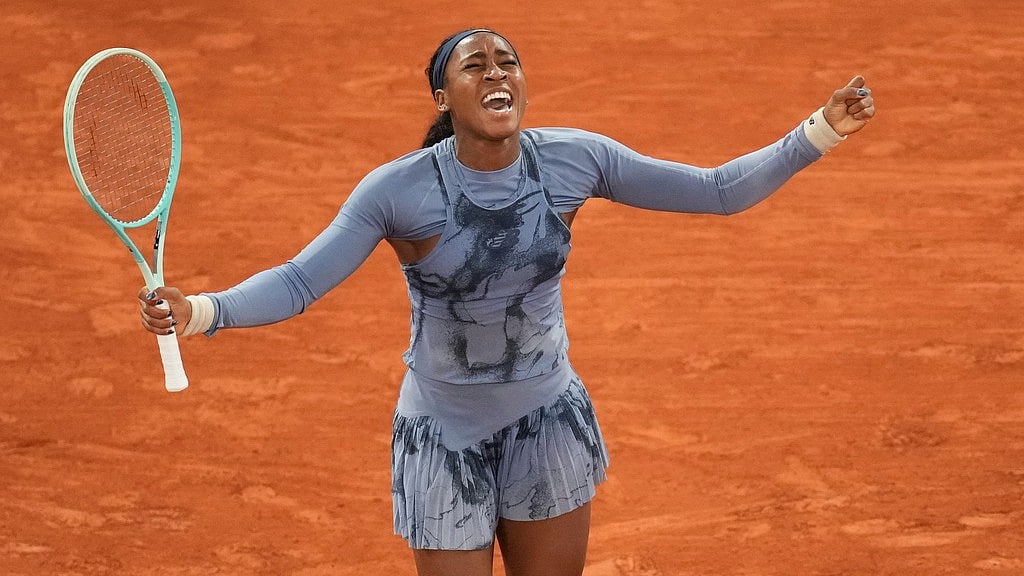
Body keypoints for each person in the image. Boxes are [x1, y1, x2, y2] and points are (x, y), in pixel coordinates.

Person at [138, 28, 875, 576]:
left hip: (547, 426)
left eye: (508, 62)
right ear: (443, 96)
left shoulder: (574, 160)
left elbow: (716, 192)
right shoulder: (398, 192)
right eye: (475, 65)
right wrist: (204, 309)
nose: (497, 73)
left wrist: (818, 132)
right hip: (443, 436)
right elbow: (301, 281)